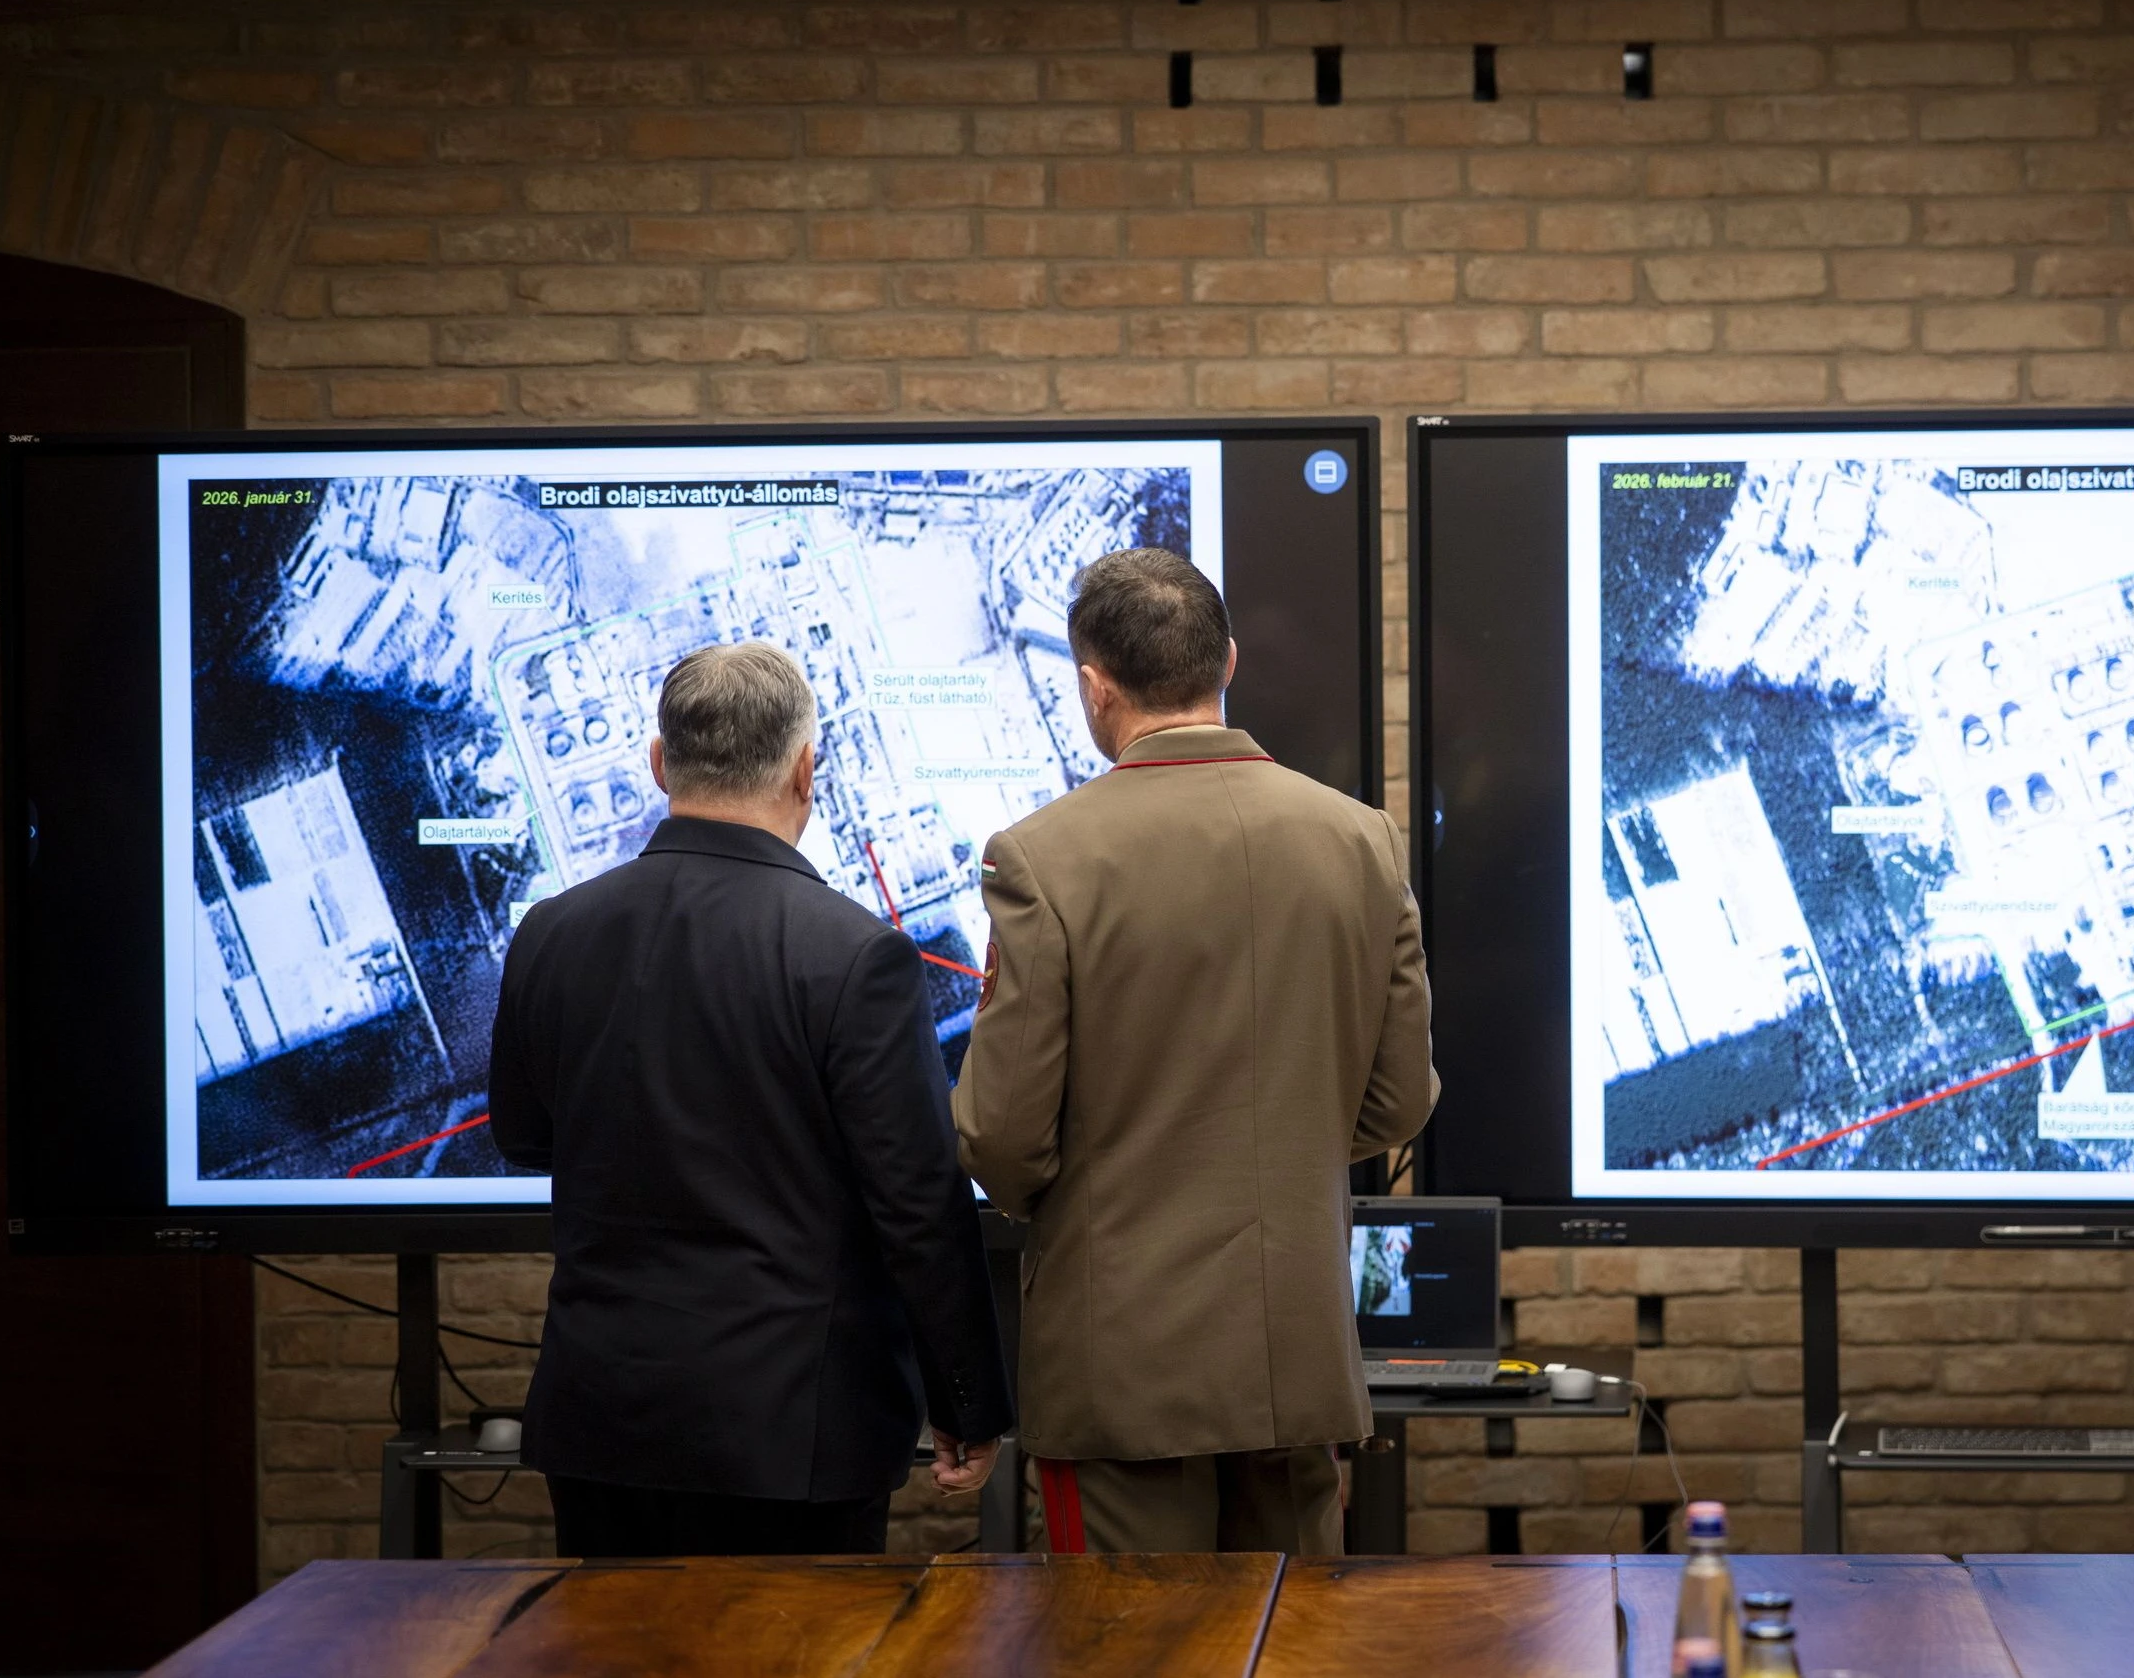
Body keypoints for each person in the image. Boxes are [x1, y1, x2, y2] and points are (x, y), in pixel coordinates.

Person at [953, 548, 1437, 1555]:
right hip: (1298, 1358)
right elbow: (1397, 1105)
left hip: (1124, 1373)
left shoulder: (1041, 859)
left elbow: (1001, 1136)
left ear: (1096, 687)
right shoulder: (1364, 841)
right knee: (1291, 1634)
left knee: (1128, 1637)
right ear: (1228, 661)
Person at [491, 641, 1013, 1558]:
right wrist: (965, 1403)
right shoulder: (855, 954)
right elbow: (917, 1207)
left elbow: (524, 1137)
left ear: (660, 763)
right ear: (806, 770)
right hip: (791, 1431)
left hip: (603, 1422)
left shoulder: (550, 932)